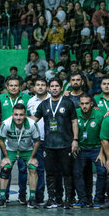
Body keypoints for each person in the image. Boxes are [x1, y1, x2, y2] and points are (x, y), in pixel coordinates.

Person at [31, 78, 78, 209]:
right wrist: (18, 118)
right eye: (52, 86)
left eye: (57, 86)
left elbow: (74, 122)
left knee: (67, 173)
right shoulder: (44, 104)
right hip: (49, 145)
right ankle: (52, 198)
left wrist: (75, 140)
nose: (54, 88)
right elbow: (33, 120)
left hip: (65, 144)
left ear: (61, 88)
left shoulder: (68, 103)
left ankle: (68, 199)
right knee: (50, 173)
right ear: (48, 88)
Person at [0, 103, 41, 209]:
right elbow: (1, 140)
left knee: (33, 168)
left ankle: (32, 198)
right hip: (11, 149)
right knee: (5, 168)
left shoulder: (32, 124)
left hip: (27, 150)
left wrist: (32, 157)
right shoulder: (6, 123)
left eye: (21, 115)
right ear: (12, 115)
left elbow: (37, 141)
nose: (18, 118)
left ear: (25, 115)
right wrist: (6, 157)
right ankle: (2, 198)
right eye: (16, 115)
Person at [0, 77, 31, 204]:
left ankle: (22, 195)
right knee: (6, 168)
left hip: (23, 139)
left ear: (20, 87)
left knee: (23, 169)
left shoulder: (28, 98)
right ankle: (4, 196)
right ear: (6, 86)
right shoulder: (0, 98)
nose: (13, 87)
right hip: (6, 140)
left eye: (16, 85)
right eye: (11, 85)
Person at [73, 94, 106, 208]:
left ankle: (98, 199)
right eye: (82, 104)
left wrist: (102, 153)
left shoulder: (99, 115)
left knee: (102, 172)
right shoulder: (75, 113)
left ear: (92, 104)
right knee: (78, 173)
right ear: (79, 104)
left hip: (97, 148)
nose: (84, 106)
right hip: (81, 148)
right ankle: (83, 199)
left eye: (87, 103)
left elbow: (104, 136)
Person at [26, 78, 48, 205]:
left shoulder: (52, 99)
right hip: (36, 141)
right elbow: (29, 119)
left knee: (52, 170)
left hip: (51, 140)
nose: (40, 87)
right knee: (37, 169)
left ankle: (54, 197)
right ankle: (38, 198)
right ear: (34, 88)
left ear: (47, 87)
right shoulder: (30, 101)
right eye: (38, 85)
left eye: (43, 85)